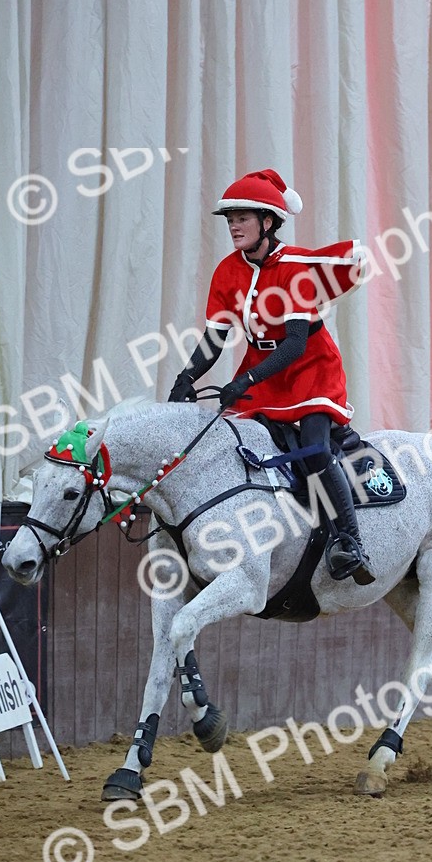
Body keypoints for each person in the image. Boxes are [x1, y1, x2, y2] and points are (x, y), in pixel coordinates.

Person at [169, 168, 374, 584]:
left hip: (310, 367)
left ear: (268, 222)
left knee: (315, 448)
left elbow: (296, 344)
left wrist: (245, 381)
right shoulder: (227, 271)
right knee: (229, 442)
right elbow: (215, 338)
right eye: (229, 220)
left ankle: (350, 541)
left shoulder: (296, 267)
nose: (233, 226)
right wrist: (185, 378)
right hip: (262, 368)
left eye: (241, 218)